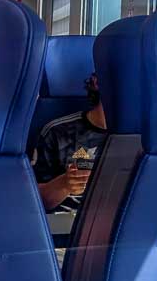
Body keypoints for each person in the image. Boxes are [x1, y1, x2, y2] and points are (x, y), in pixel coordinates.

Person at [33, 74, 108, 213]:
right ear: (97, 82)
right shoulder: (57, 132)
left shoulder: (144, 136)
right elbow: (32, 199)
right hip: (66, 227)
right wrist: (65, 184)